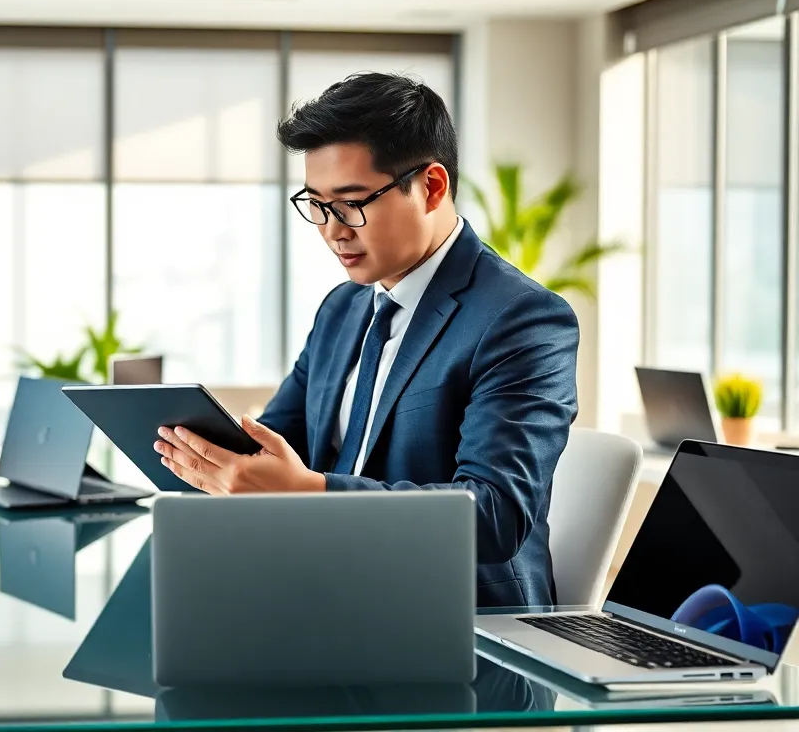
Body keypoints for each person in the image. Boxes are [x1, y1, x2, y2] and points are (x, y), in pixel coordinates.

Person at [153, 72, 579, 607]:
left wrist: (308, 492)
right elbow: (278, 443)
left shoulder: (522, 319)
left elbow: (494, 515)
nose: (333, 230)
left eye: (352, 202)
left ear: (431, 187)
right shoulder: (343, 309)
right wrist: (206, 457)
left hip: (460, 625)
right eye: (316, 203)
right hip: (333, 594)